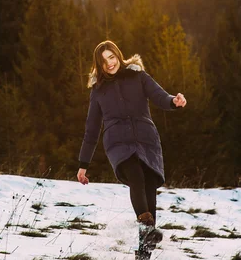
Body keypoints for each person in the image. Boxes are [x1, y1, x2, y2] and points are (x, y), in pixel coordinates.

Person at [77, 40, 187, 260]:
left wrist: (174, 101)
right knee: (135, 175)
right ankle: (147, 230)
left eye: (112, 57)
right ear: (98, 65)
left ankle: (144, 252)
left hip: (146, 140)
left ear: (118, 55)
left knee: (149, 185)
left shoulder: (138, 76)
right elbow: (91, 129)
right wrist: (83, 164)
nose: (109, 63)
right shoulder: (98, 90)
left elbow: (159, 96)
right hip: (118, 142)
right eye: (103, 61)